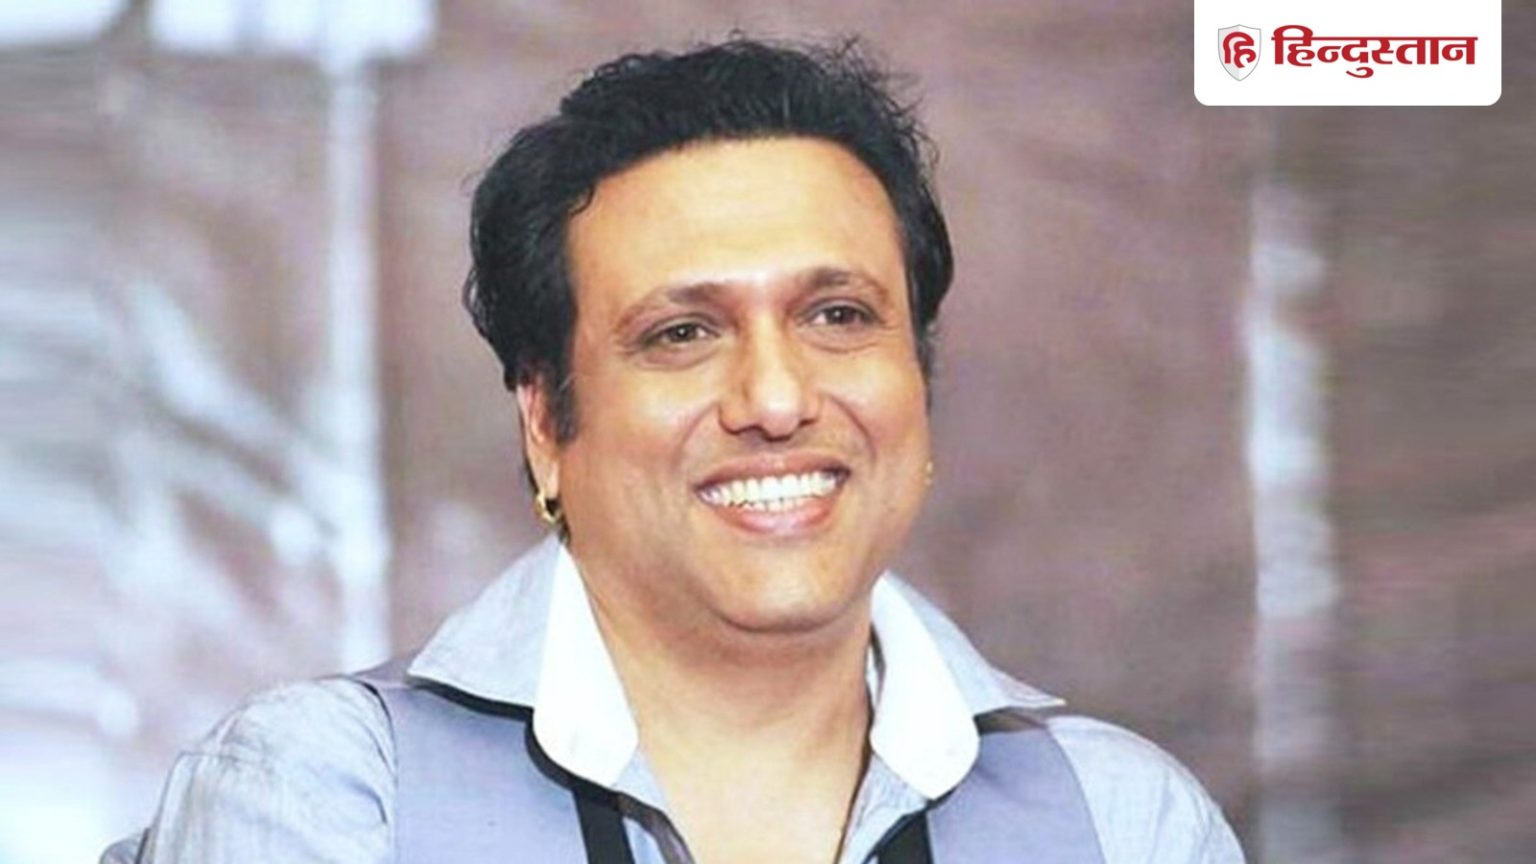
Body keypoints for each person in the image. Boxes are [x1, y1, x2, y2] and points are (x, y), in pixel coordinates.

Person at [104, 38, 1245, 864]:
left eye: (838, 315)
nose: (776, 398)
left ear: (919, 382)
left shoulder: (1121, 822)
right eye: (682, 334)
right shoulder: (333, 797)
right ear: (546, 423)